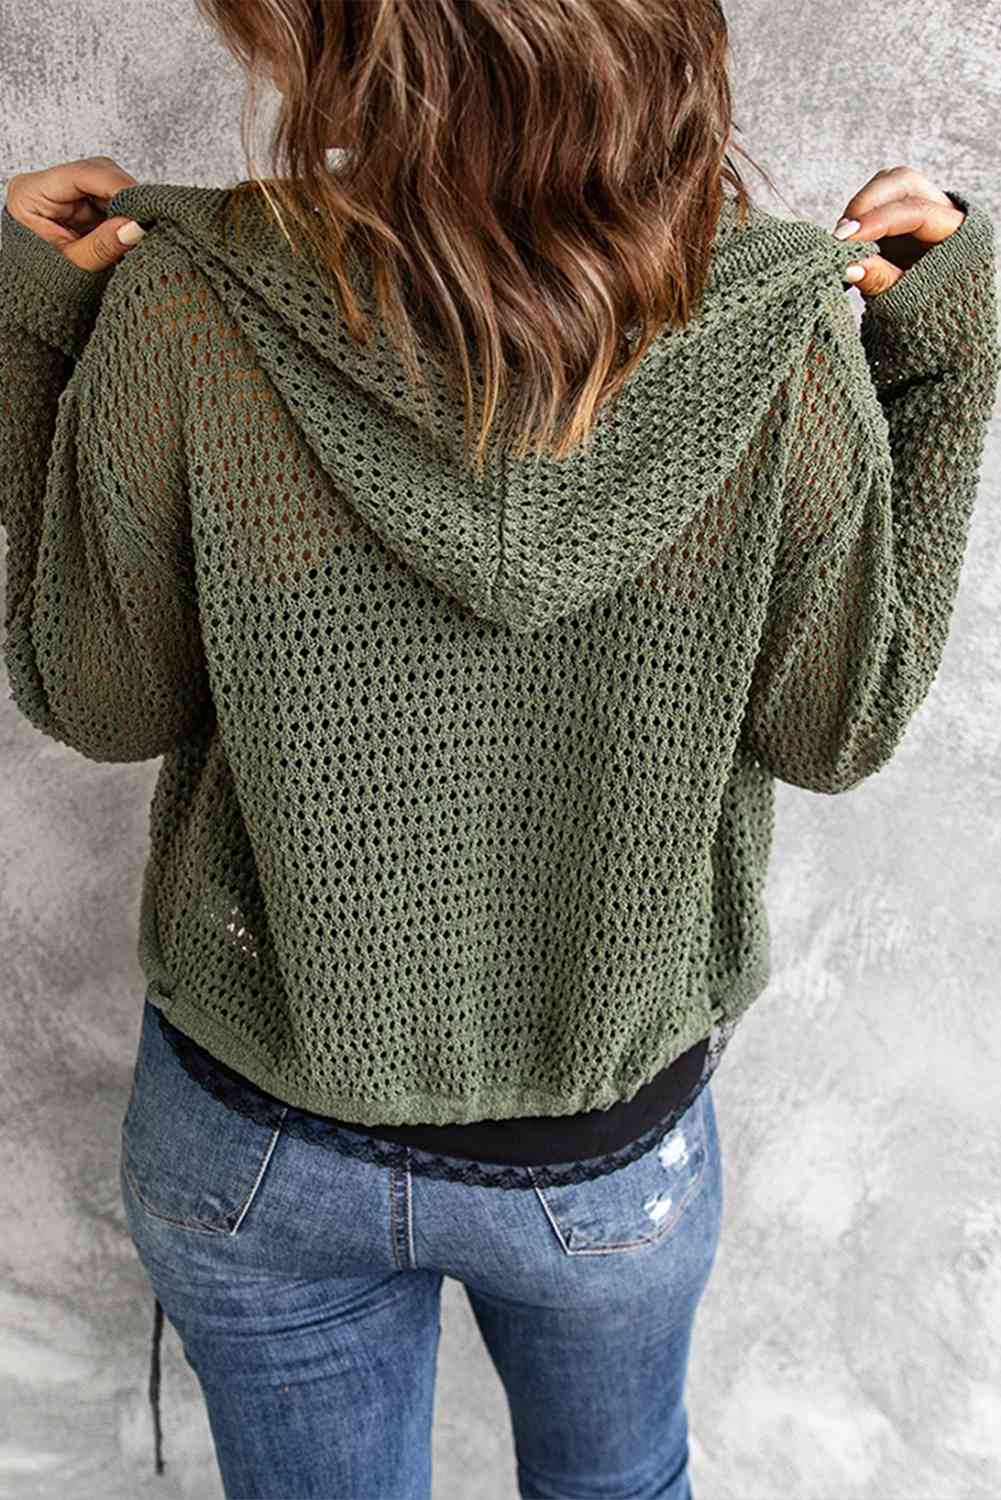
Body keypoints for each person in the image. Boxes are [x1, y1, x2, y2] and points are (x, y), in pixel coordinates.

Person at [0, 2, 997, 1496]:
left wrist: (27, 333)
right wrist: (944, 363)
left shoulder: (186, 308)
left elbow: (101, 705)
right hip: (600, 1151)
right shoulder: (780, 338)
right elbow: (834, 730)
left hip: (260, 1128)